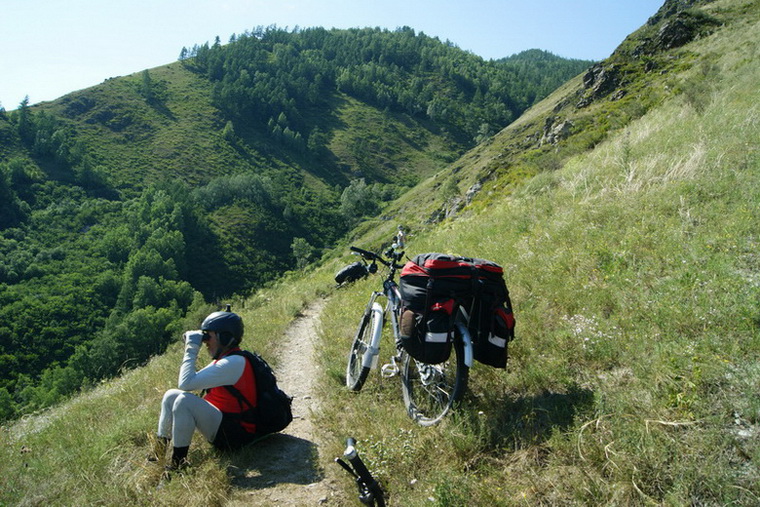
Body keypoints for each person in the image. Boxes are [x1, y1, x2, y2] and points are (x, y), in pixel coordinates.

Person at [151, 305, 260, 471]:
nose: (206, 342)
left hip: (238, 435)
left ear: (224, 337)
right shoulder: (227, 359)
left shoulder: (233, 363)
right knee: (171, 395)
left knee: (183, 401)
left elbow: (186, 384)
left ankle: (177, 466)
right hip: (226, 423)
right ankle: (159, 453)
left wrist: (191, 348)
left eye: (208, 336)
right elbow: (192, 382)